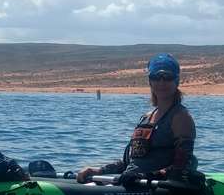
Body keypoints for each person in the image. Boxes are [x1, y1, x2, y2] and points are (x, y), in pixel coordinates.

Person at [77, 53, 198, 185]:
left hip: (155, 186)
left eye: (168, 77)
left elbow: (182, 165)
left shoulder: (181, 117)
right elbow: (133, 162)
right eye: (156, 77)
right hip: (131, 181)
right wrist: (100, 171)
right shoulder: (146, 118)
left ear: (176, 81)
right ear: (150, 81)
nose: (161, 82)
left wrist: (147, 176)